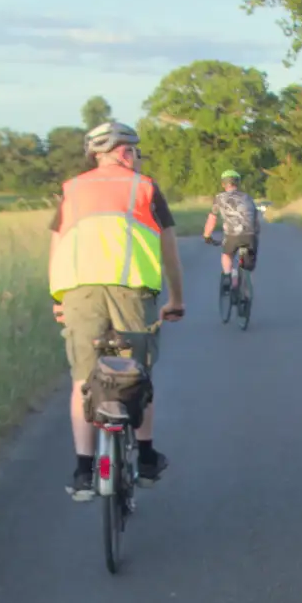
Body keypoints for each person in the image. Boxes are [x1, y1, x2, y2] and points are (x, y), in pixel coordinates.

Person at [49, 121, 185, 500]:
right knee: (137, 373)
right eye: (135, 151)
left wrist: (58, 299)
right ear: (125, 153)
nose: (137, 158)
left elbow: (57, 246)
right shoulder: (145, 187)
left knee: (83, 377)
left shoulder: (71, 190)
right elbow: (168, 251)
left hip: (78, 292)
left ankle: (82, 472)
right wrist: (176, 298)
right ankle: (144, 458)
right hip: (131, 292)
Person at [201, 170, 260, 291]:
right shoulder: (248, 197)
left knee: (227, 255)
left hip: (232, 235)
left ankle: (228, 275)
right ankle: (246, 288)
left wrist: (207, 235)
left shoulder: (219, 198)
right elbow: (256, 220)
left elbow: (212, 218)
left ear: (223, 184)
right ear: (238, 183)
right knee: (248, 263)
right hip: (250, 235)